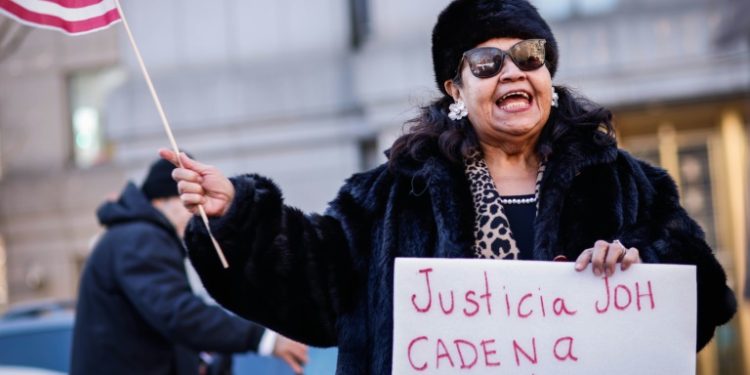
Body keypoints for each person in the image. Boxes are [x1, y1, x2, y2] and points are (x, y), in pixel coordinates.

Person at [163, 0, 737, 373]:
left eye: (529, 56)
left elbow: (704, 295)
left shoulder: (626, 183)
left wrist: (644, 260)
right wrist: (240, 213)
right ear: (456, 89)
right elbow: (312, 282)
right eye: (487, 61)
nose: (512, 71)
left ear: (548, 78)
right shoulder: (392, 195)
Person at [70, 158, 308, 375]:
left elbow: (161, 322)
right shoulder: (141, 237)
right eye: (188, 201)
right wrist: (262, 338)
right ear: (162, 200)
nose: (195, 213)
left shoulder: (133, 235)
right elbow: (178, 314)